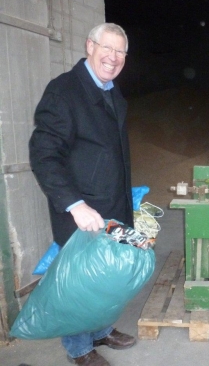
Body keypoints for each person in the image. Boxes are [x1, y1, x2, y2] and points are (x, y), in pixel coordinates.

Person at [29, 23, 135, 366]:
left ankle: (101, 331)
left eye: (121, 52)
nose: (114, 57)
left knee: (106, 279)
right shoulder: (64, 91)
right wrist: (75, 205)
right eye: (108, 48)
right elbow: (44, 154)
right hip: (83, 212)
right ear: (90, 46)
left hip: (114, 206)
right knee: (79, 285)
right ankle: (79, 348)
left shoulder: (112, 92)